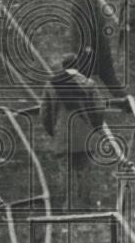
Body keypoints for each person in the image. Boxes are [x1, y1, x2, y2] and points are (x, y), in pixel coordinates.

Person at [40, 52, 106, 209]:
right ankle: (85, 203)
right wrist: (96, 127)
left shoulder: (51, 85)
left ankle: (68, 204)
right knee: (85, 170)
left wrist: (54, 131)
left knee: (65, 171)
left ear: (63, 67)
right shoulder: (89, 84)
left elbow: (45, 114)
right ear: (77, 66)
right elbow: (99, 109)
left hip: (62, 135)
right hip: (85, 135)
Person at [63, 0, 124, 96]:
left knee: (82, 79)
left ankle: (87, 110)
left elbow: (87, 24)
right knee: (109, 78)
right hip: (99, 47)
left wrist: (86, 46)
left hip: (89, 49)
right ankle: (127, 103)